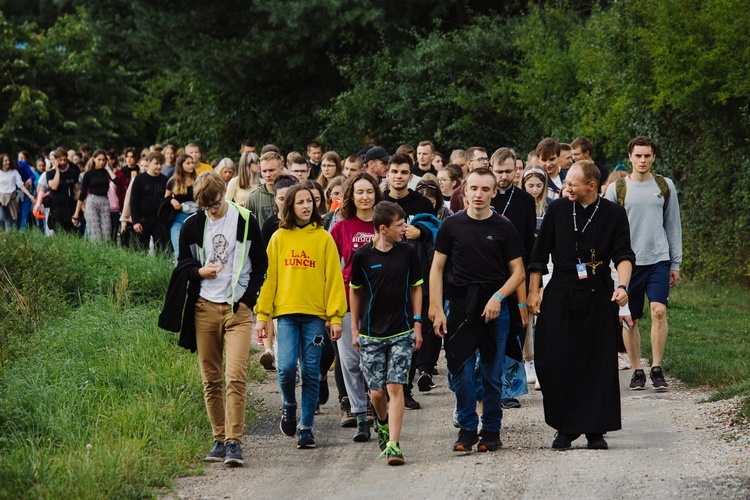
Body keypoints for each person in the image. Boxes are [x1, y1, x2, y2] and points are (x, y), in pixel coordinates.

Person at [159, 171, 267, 466]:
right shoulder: (193, 226)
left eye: (216, 203)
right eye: (206, 206)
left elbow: (260, 264)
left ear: (224, 194)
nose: (212, 210)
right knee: (211, 379)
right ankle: (218, 440)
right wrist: (198, 272)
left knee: (235, 375)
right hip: (203, 308)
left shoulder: (245, 220)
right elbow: (183, 264)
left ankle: (234, 442)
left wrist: (247, 301)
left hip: (237, 311)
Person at [528, 160, 635, 450]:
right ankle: (565, 426)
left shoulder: (613, 214)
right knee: (555, 359)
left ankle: (594, 429)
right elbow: (539, 254)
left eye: (573, 183)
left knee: (596, 362)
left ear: (592, 186)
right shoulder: (558, 210)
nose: (567, 187)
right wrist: (534, 290)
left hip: (598, 294)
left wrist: (623, 287)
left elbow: (624, 254)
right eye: (566, 183)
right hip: (560, 293)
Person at [429, 168, 526, 453]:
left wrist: (499, 296)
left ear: (494, 192)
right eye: (473, 188)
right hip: (459, 307)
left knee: (492, 373)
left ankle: (492, 430)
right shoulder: (451, 225)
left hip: (495, 308)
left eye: (485, 189)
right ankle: (468, 428)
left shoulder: (504, 227)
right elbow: (436, 268)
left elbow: (518, 271)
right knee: (461, 372)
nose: (478, 194)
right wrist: (437, 308)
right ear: (464, 192)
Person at [256, 184, 347, 450]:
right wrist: (262, 315)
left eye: (309, 201)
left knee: (310, 372)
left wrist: (336, 317)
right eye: (300, 202)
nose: (306, 206)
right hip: (285, 315)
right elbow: (269, 279)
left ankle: (306, 427)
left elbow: (334, 280)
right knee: (285, 369)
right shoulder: (279, 238)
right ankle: (289, 405)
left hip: (315, 317)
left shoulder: (323, 238)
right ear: (290, 207)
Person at [604, 136, 682, 391]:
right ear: (630, 157)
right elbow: (606, 230)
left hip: (658, 259)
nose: (642, 160)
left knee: (659, 311)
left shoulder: (664, 185)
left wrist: (675, 263)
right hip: (628, 263)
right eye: (638, 156)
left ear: (654, 157)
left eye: (647, 155)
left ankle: (657, 368)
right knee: (630, 318)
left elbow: (673, 226)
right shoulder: (617, 189)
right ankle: (638, 369)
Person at [350, 201, 423, 466]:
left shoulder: (407, 252)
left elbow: (416, 287)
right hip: (371, 335)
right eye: (400, 224)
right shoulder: (362, 256)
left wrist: (417, 323)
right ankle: (381, 422)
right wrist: (355, 328)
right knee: (377, 393)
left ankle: (394, 444)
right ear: (383, 228)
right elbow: (355, 290)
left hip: (402, 331)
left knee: (395, 386)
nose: (405, 228)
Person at [330, 172, 384, 435]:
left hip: (381, 302)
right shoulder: (341, 227)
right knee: (351, 362)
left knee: (374, 361)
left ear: (376, 194)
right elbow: (329, 269)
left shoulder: (385, 224)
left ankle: (379, 409)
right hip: (348, 302)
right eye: (359, 192)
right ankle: (361, 416)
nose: (365, 197)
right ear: (350, 195)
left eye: (369, 191)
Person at [72, 149, 118, 241]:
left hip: (105, 201)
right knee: (95, 233)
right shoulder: (88, 174)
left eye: (103, 160)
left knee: (106, 233)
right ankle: (96, 253)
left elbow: (117, 181)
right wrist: (76, 214)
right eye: (99, 159)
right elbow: (82, 194)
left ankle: (105, 253)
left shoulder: (107, 172)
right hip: (92, 201)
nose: (101, 162)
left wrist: (108, 168)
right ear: (94, 159)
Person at [129, 151, 169, 252]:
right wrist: (135, 221)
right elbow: (133, 200)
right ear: (149, 162)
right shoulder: (139, 179)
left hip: (159, 220)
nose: (159, 166)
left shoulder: (165, 180)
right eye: (156, 163)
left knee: (160, 250)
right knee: (140, 251)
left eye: (161, 164)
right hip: (142, 220)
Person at [164, 154, 198, 255]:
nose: (191, 165)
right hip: (178, 219)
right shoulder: (173, 181)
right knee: (179, 250)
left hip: (195, 219)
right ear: (180, 165)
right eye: (188, 163)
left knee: (194, 252)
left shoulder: (198, 180)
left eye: (192, 163)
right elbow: (166, 198)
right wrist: (172, 201)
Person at [46, 148, 81, 234]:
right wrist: (58, 171)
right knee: (58, 231)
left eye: (65, 160)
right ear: (56, 160)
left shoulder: (72, 172)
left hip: (69, 205)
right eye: (60, 160)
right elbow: (54, 186)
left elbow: (77, 190)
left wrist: (81, 206)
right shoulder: (50, 173)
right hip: (56, 206)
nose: (63, 162)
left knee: (71, 232)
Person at [245, 151, 284, 228]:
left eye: (271, 170)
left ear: (281, 169)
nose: (267, 175)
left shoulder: (292, 193)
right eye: (264, 171)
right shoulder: (253, 198)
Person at [0, 154, 35, 231]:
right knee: (1, 217)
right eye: (5, 161)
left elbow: (20, 185)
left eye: (9, 160)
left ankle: (7, 239)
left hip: (11, 199)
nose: (8, 162)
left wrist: (29, 195)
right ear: (1, 162)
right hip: (1, 199)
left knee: (10, 221)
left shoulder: (14, 172)